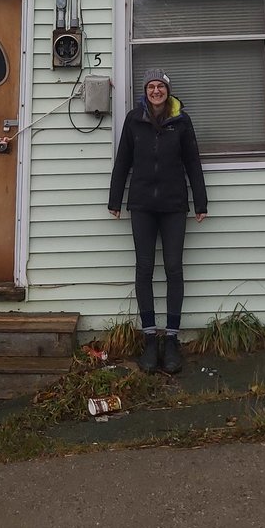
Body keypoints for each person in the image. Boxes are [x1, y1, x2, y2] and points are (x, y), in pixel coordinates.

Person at [108, 67, 208, 374]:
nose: (156, 91)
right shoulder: (133, 120)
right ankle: (150, 338)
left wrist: (200, 201)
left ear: (168, 91)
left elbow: (192, 161)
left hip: (174, 206)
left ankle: (172, 340)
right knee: (145, 269)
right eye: (151, 86)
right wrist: (115, 200)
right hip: (142, 206)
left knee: (174, 269)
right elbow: (123, 160)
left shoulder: (181, 122)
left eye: (160, 86)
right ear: (145, 91)